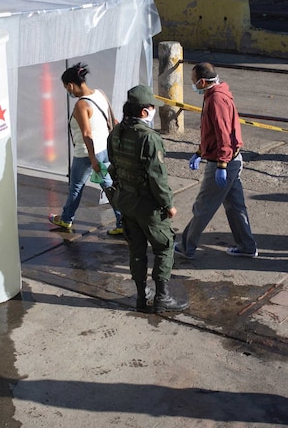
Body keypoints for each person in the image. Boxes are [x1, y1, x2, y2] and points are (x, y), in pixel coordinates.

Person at [108, 85, 188, 313]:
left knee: (136, 249)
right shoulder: (149, 139)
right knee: (164, 247)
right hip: (148, 206)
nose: (153, 111)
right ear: (144, 111)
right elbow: (157, 178)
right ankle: (162, 297)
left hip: (125, 201)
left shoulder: (116, 133)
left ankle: (142, 296)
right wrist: (168, 205)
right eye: (152, 108)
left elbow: (113, 168)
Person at [175, 62, 258, 260]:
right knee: (235, 206)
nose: (193, 85)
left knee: (203, 206)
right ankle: (247, 246)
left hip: (224, 163)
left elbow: (223, 135)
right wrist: (199, 151)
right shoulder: (216, 94)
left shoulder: (216, 100)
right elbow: (212, 133)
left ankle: (187, 246)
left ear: (203, 81)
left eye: (194, 81)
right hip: (231, 160)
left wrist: (221, 164)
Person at [48, 63, 123, 235]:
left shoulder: (81, 105)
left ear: (70, 85)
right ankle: (122, 221)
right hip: (104, 148)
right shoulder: (100, 93)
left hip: (87, 154)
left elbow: (86, 134)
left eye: (66, 88)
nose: (68, 91)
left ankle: (66, 219)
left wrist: (93, 160)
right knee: (109, 186)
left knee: (76, 187)